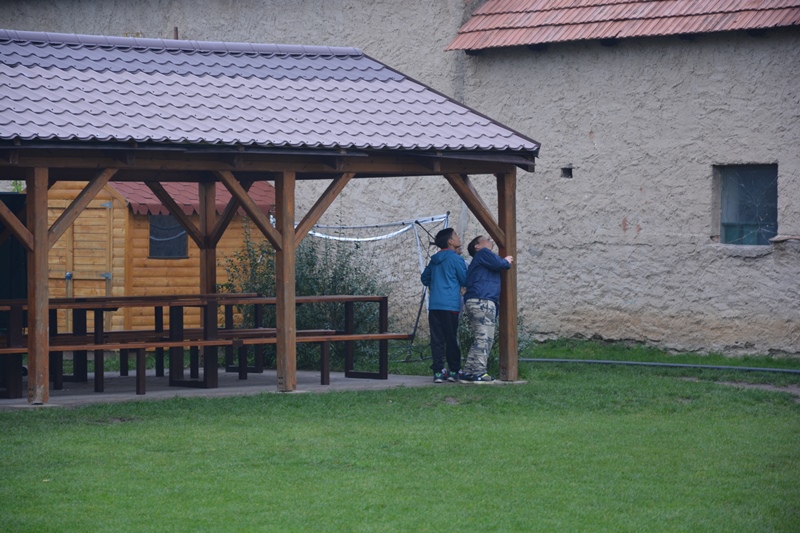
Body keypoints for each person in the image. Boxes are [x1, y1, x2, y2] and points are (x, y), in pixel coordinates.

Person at [460, 235, 513, 383]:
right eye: (485, 238)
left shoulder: (480, 259)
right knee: (485, 338)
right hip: (483, 300)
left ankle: (469, 371)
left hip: (475, 300)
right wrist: (506, 261)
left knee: (480, 337)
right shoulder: (483, 253)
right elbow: (500, 264)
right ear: (477, 246)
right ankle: (479, 372)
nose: (489, 239)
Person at [421, 228, 467, 383]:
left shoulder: (434, 260)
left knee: (437, 339)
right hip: (450, 305)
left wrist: (436, 284)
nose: (458, 237)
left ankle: (438, 371)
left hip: (435, 305)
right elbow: (465, 279)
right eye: (456, 235)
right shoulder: (456, 259)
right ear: (450, 242)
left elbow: (424, 278)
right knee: (451, 338)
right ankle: (454, 370)